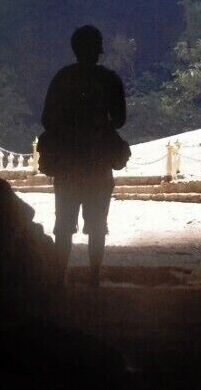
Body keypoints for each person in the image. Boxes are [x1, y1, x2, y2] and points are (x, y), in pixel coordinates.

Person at [39, 24, 128, 284]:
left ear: (74, 49)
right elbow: (120, 120)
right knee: (98, 224)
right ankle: (94, 277)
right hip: (98, 162)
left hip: (67, 163)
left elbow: (47, 119)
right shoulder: (109, 79)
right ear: (99, 50)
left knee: (64, 224)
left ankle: (59, 278)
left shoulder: (62, 78)